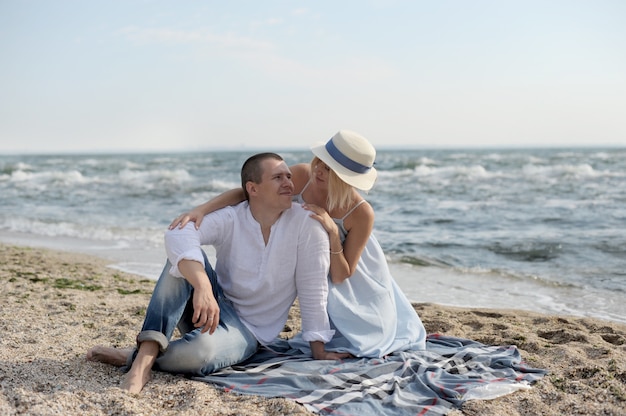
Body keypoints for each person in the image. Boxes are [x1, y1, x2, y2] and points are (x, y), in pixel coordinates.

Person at [87, 152, 349, 394]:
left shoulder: (308, 226)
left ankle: (132, 355)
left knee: (199, 354)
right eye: (278, 177)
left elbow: (313, 287)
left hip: (248, 331)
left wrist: (318, 348)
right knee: (182, 259)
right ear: (253, 189)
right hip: (208, 308)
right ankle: (141, 364)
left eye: (289, 177)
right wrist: (202, 287)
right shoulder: (233, 217)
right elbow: (178, 233)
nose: (289, 183)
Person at [170, 130, 427, 358]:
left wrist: (332, 232)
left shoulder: (361, 212)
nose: (318, 170)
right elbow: (250, 191)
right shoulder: (304, 175)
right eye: (320, 162)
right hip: (314, 258)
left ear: (344, 179)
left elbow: (341, 274)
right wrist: (202, 209)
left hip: (351, 271)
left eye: (328, 169)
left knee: (361, 338)